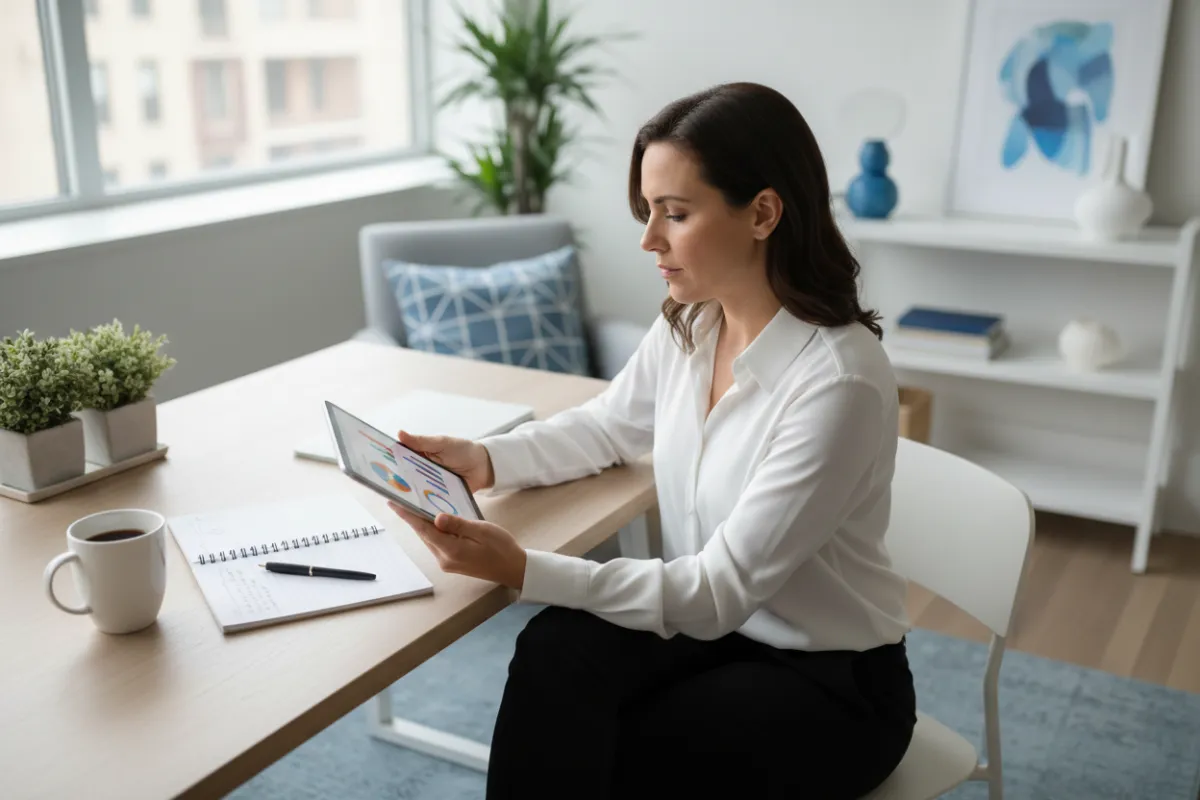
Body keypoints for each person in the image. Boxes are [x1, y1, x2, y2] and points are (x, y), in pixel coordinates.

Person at [387, 81, 916, 800]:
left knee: (643, 741)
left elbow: (717, 590)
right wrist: (486, 459)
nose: (649, 241)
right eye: (648, 212)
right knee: (553, 654)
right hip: (720, 630)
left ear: (762, 212)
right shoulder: (695, 322)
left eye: (675, 213)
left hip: (831, 681)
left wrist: (524, 568)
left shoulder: (836, 383)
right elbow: (610, 425)